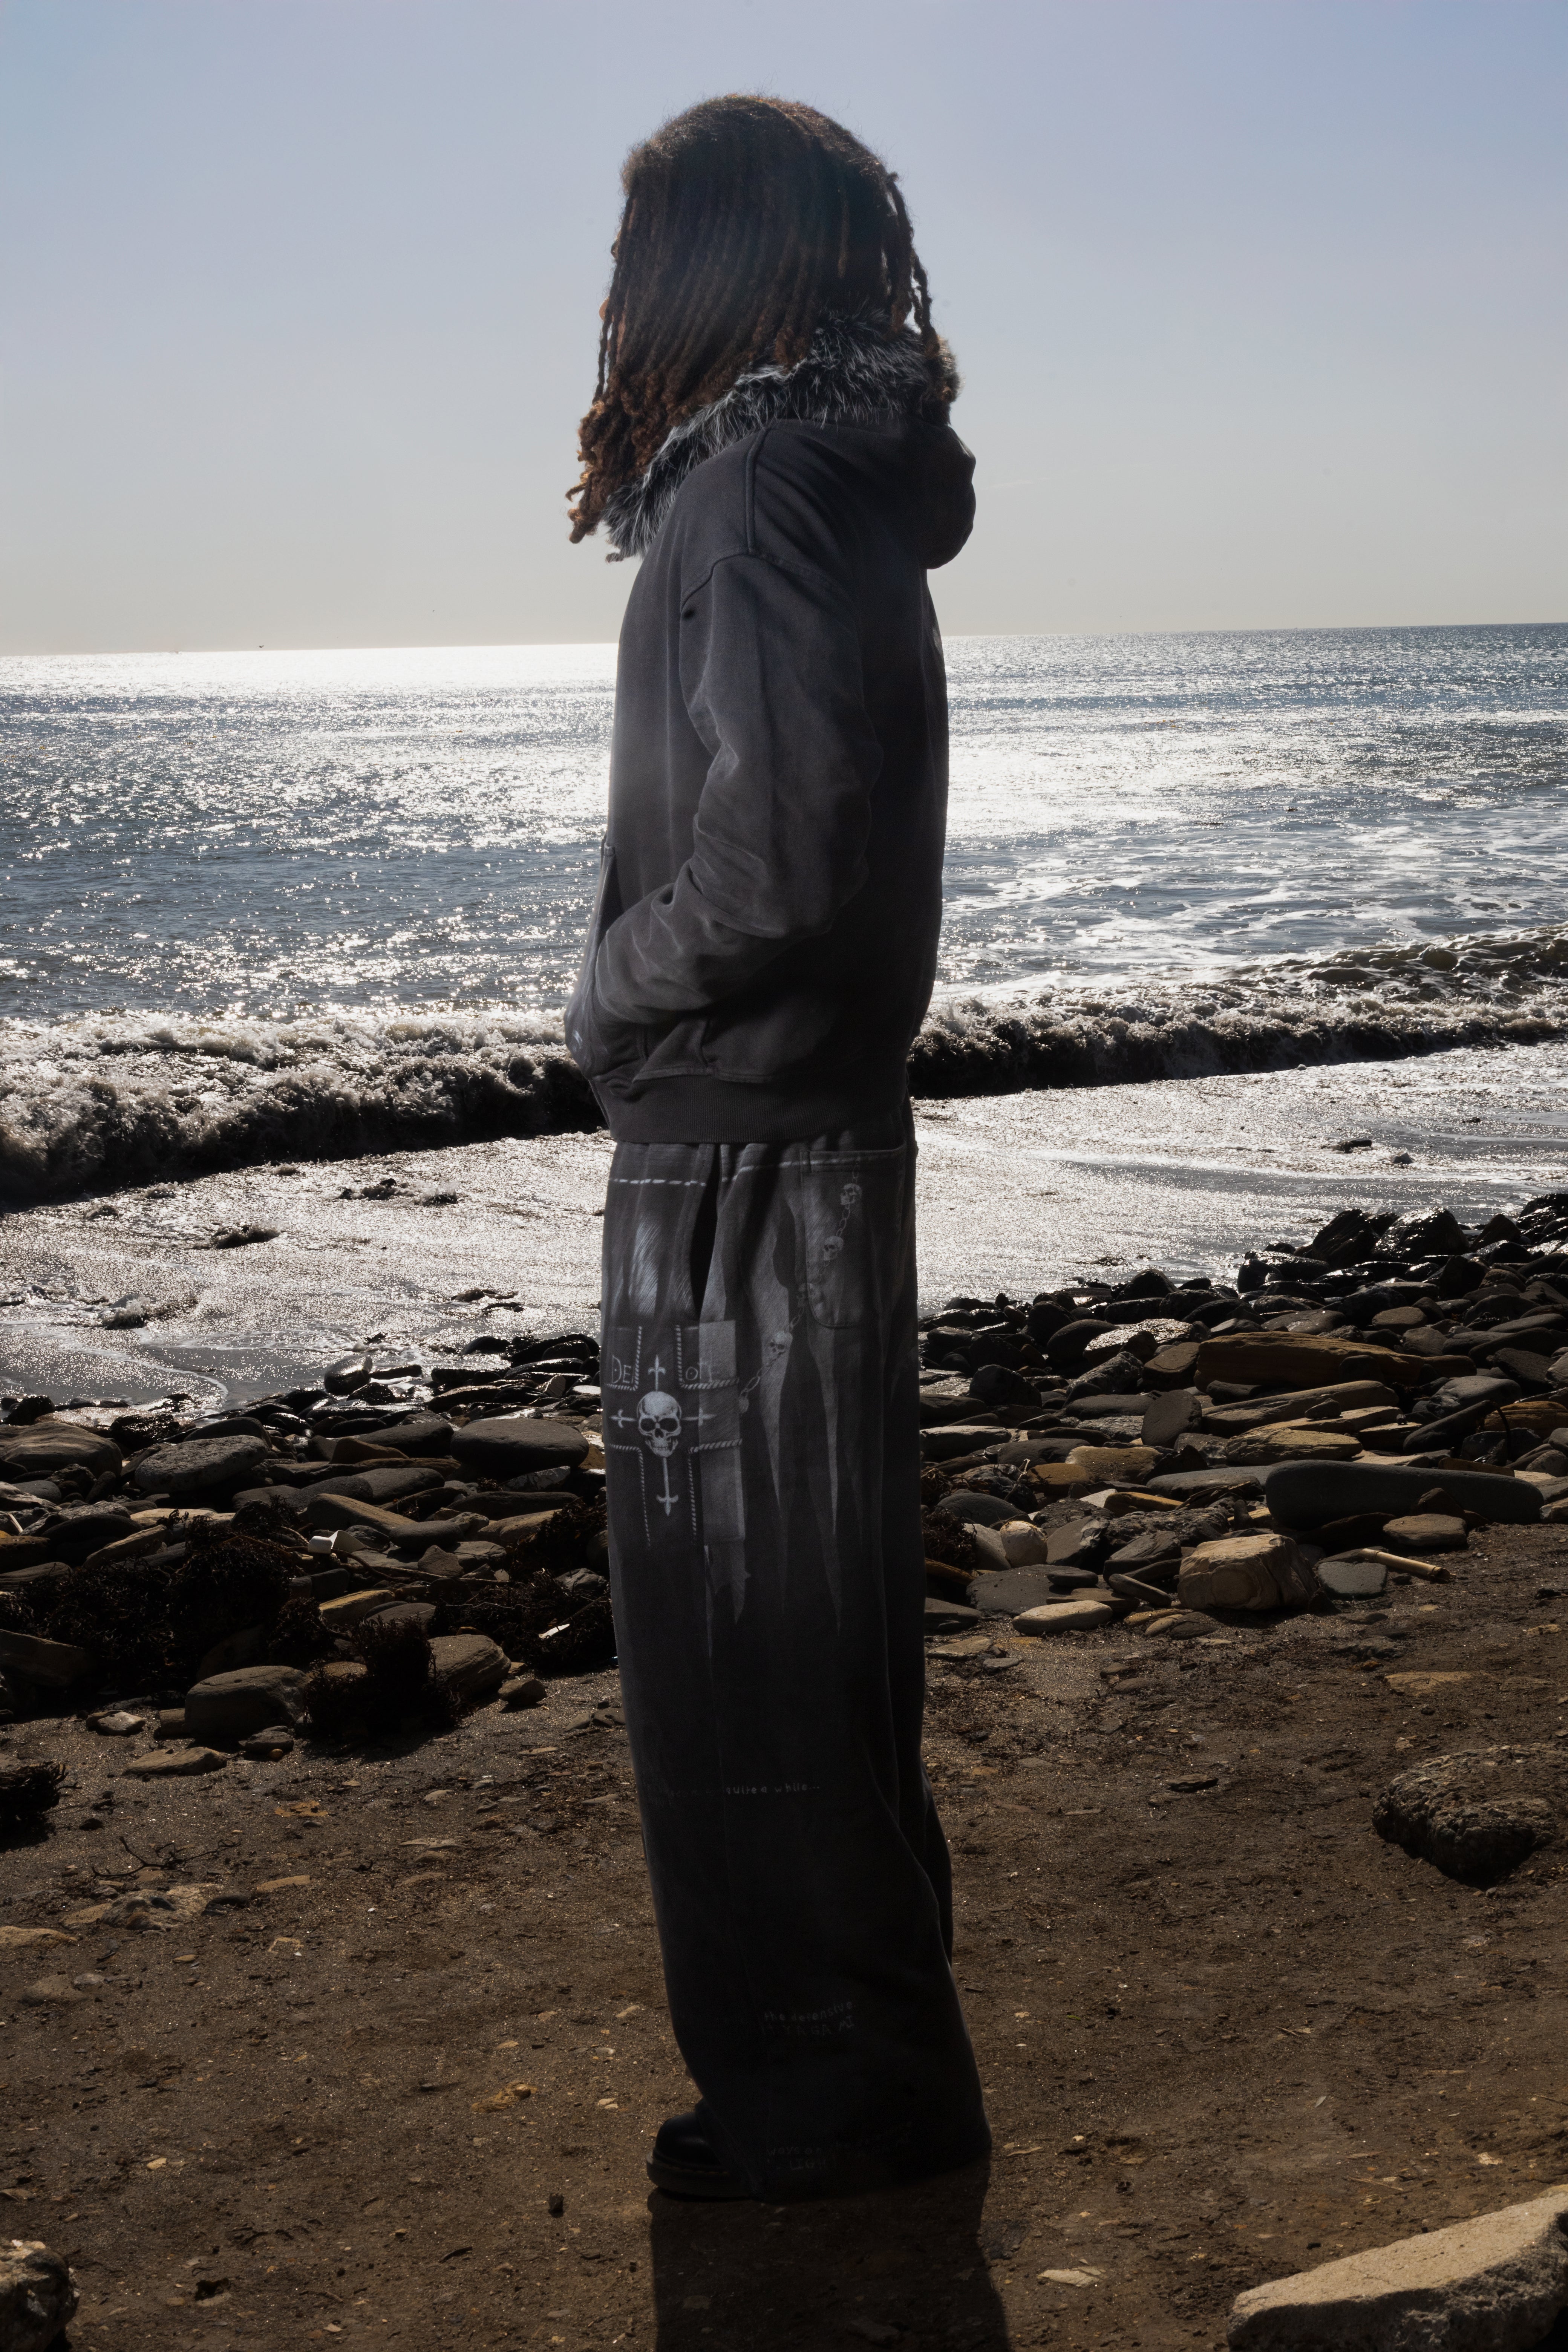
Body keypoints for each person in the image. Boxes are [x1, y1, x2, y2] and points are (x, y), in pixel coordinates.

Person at [564, 93, 988, 2203]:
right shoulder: (819, 486)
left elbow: (787, 857)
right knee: (801, 1653)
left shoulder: (754, 498)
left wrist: (608, 995)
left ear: (713, 264)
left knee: (748, 1668)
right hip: (794, 1132)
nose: (614, 292)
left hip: (742, 1153)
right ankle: (851, 2087)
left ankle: (837, 2114)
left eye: (637, 250)